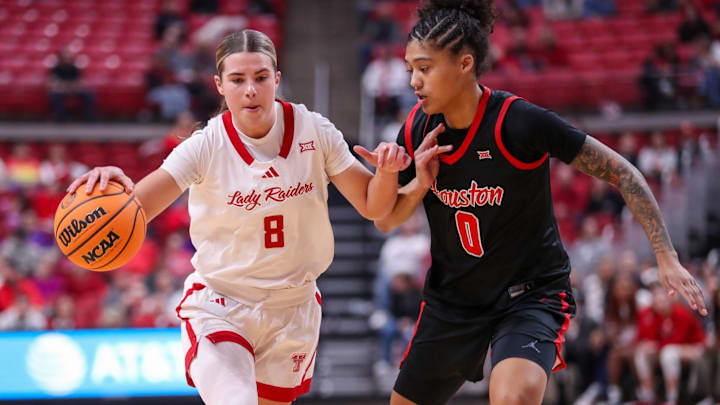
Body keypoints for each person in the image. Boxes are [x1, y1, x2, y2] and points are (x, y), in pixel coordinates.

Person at [374, 1, 707, 404]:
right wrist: (415, 184)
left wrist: (665, 256)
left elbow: (624, 172)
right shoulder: (418, 128)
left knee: (512, 397)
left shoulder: (518, 121)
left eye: (424, 68)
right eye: (410, 69)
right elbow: (388, 220)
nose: (413, 81)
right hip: (453, 302)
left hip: (528, 296)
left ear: (464, 64)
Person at [67, 30, 411, 405]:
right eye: (237, 79)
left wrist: (389, 172)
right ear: (220, 86)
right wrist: (115, 191)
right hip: (222, 305)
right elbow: (137, 207)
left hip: (293, 308)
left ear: (276, 80)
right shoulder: (204, 145)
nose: (250, 89)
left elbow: (373, 206)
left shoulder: (315, 130)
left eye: (261, 77)